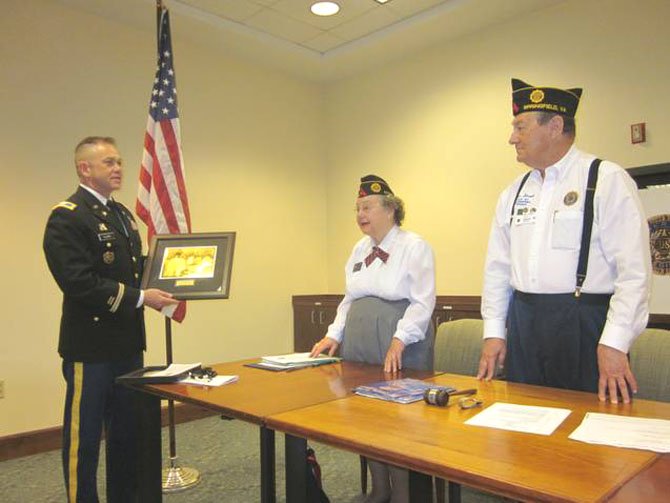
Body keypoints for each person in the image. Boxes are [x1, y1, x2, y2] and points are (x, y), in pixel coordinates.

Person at [477, 79, 651, 405]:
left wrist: (615, 342)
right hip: (525, 323)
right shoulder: (513, 193)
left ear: (555, 126)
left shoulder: (606, 179)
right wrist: (494, 332)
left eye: (520, 127)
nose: (512, 137)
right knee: (524, 426)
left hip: (585, 323)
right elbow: (497, 270)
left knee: (589, 437)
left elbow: (634, 273)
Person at [43, 136, 179, 502]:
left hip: (127, 345)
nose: (119, 168)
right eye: (109, 163)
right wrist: (140, 297)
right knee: (84, 439)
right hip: (91, 349)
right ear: (84, 168)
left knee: (125, 435)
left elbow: (136, 272)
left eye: (119, 161)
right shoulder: (67, 216)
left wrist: (176, 273)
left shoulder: (123, 216)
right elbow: (78, 282)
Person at [310, 175, 435, 503]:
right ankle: (379, 491)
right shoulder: (359, 249)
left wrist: (400, 340)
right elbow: (348, 300)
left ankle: (404, 497)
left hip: (399, 342)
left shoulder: (414, 246)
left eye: (367, 207)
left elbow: (423, 302)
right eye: (357, 208)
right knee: (367, 420)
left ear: (391, 209)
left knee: (400, 423)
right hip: (362, 342)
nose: (360, 214)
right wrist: (332, 334)